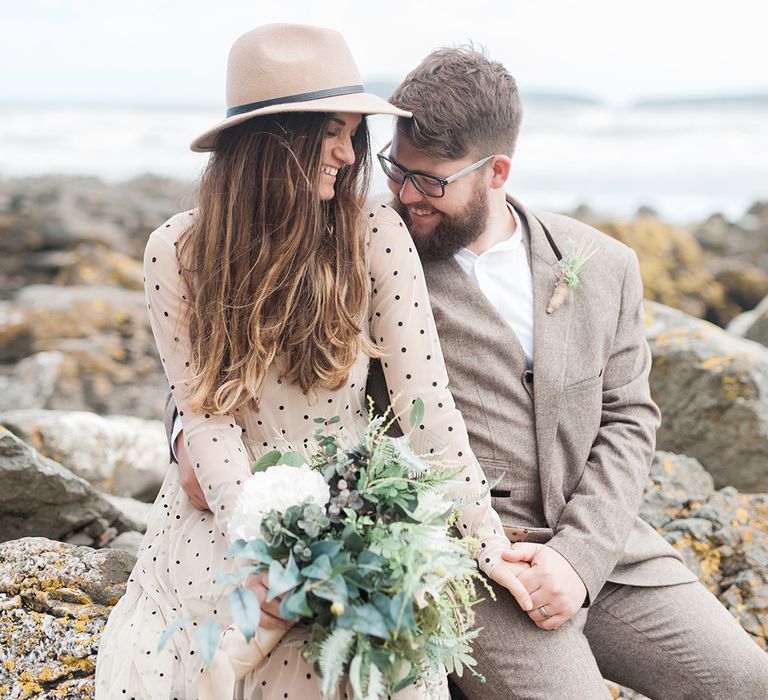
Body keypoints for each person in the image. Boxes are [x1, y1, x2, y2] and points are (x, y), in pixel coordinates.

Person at [172, 45, 768, 698]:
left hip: (610, 552)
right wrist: (182, 441)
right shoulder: (363, 246)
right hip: (467, 557)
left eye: (431, 182)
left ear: (497, 170)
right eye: (396, 169)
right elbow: (230, 366)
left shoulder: (605, 264)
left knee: (747, 680)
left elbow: (630, 415)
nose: (404, 194)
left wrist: (578, 558)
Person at [96, 25, 532, 700]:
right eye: (329, 130)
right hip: (226, 506)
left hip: (350, 500)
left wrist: (486, 539)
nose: (347, 151)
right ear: (270, 140)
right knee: (222, 646)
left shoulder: (376, 233)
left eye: (354, 132)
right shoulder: (176, 250)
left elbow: (428, 405)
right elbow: (205, 416)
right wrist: (261, 548)